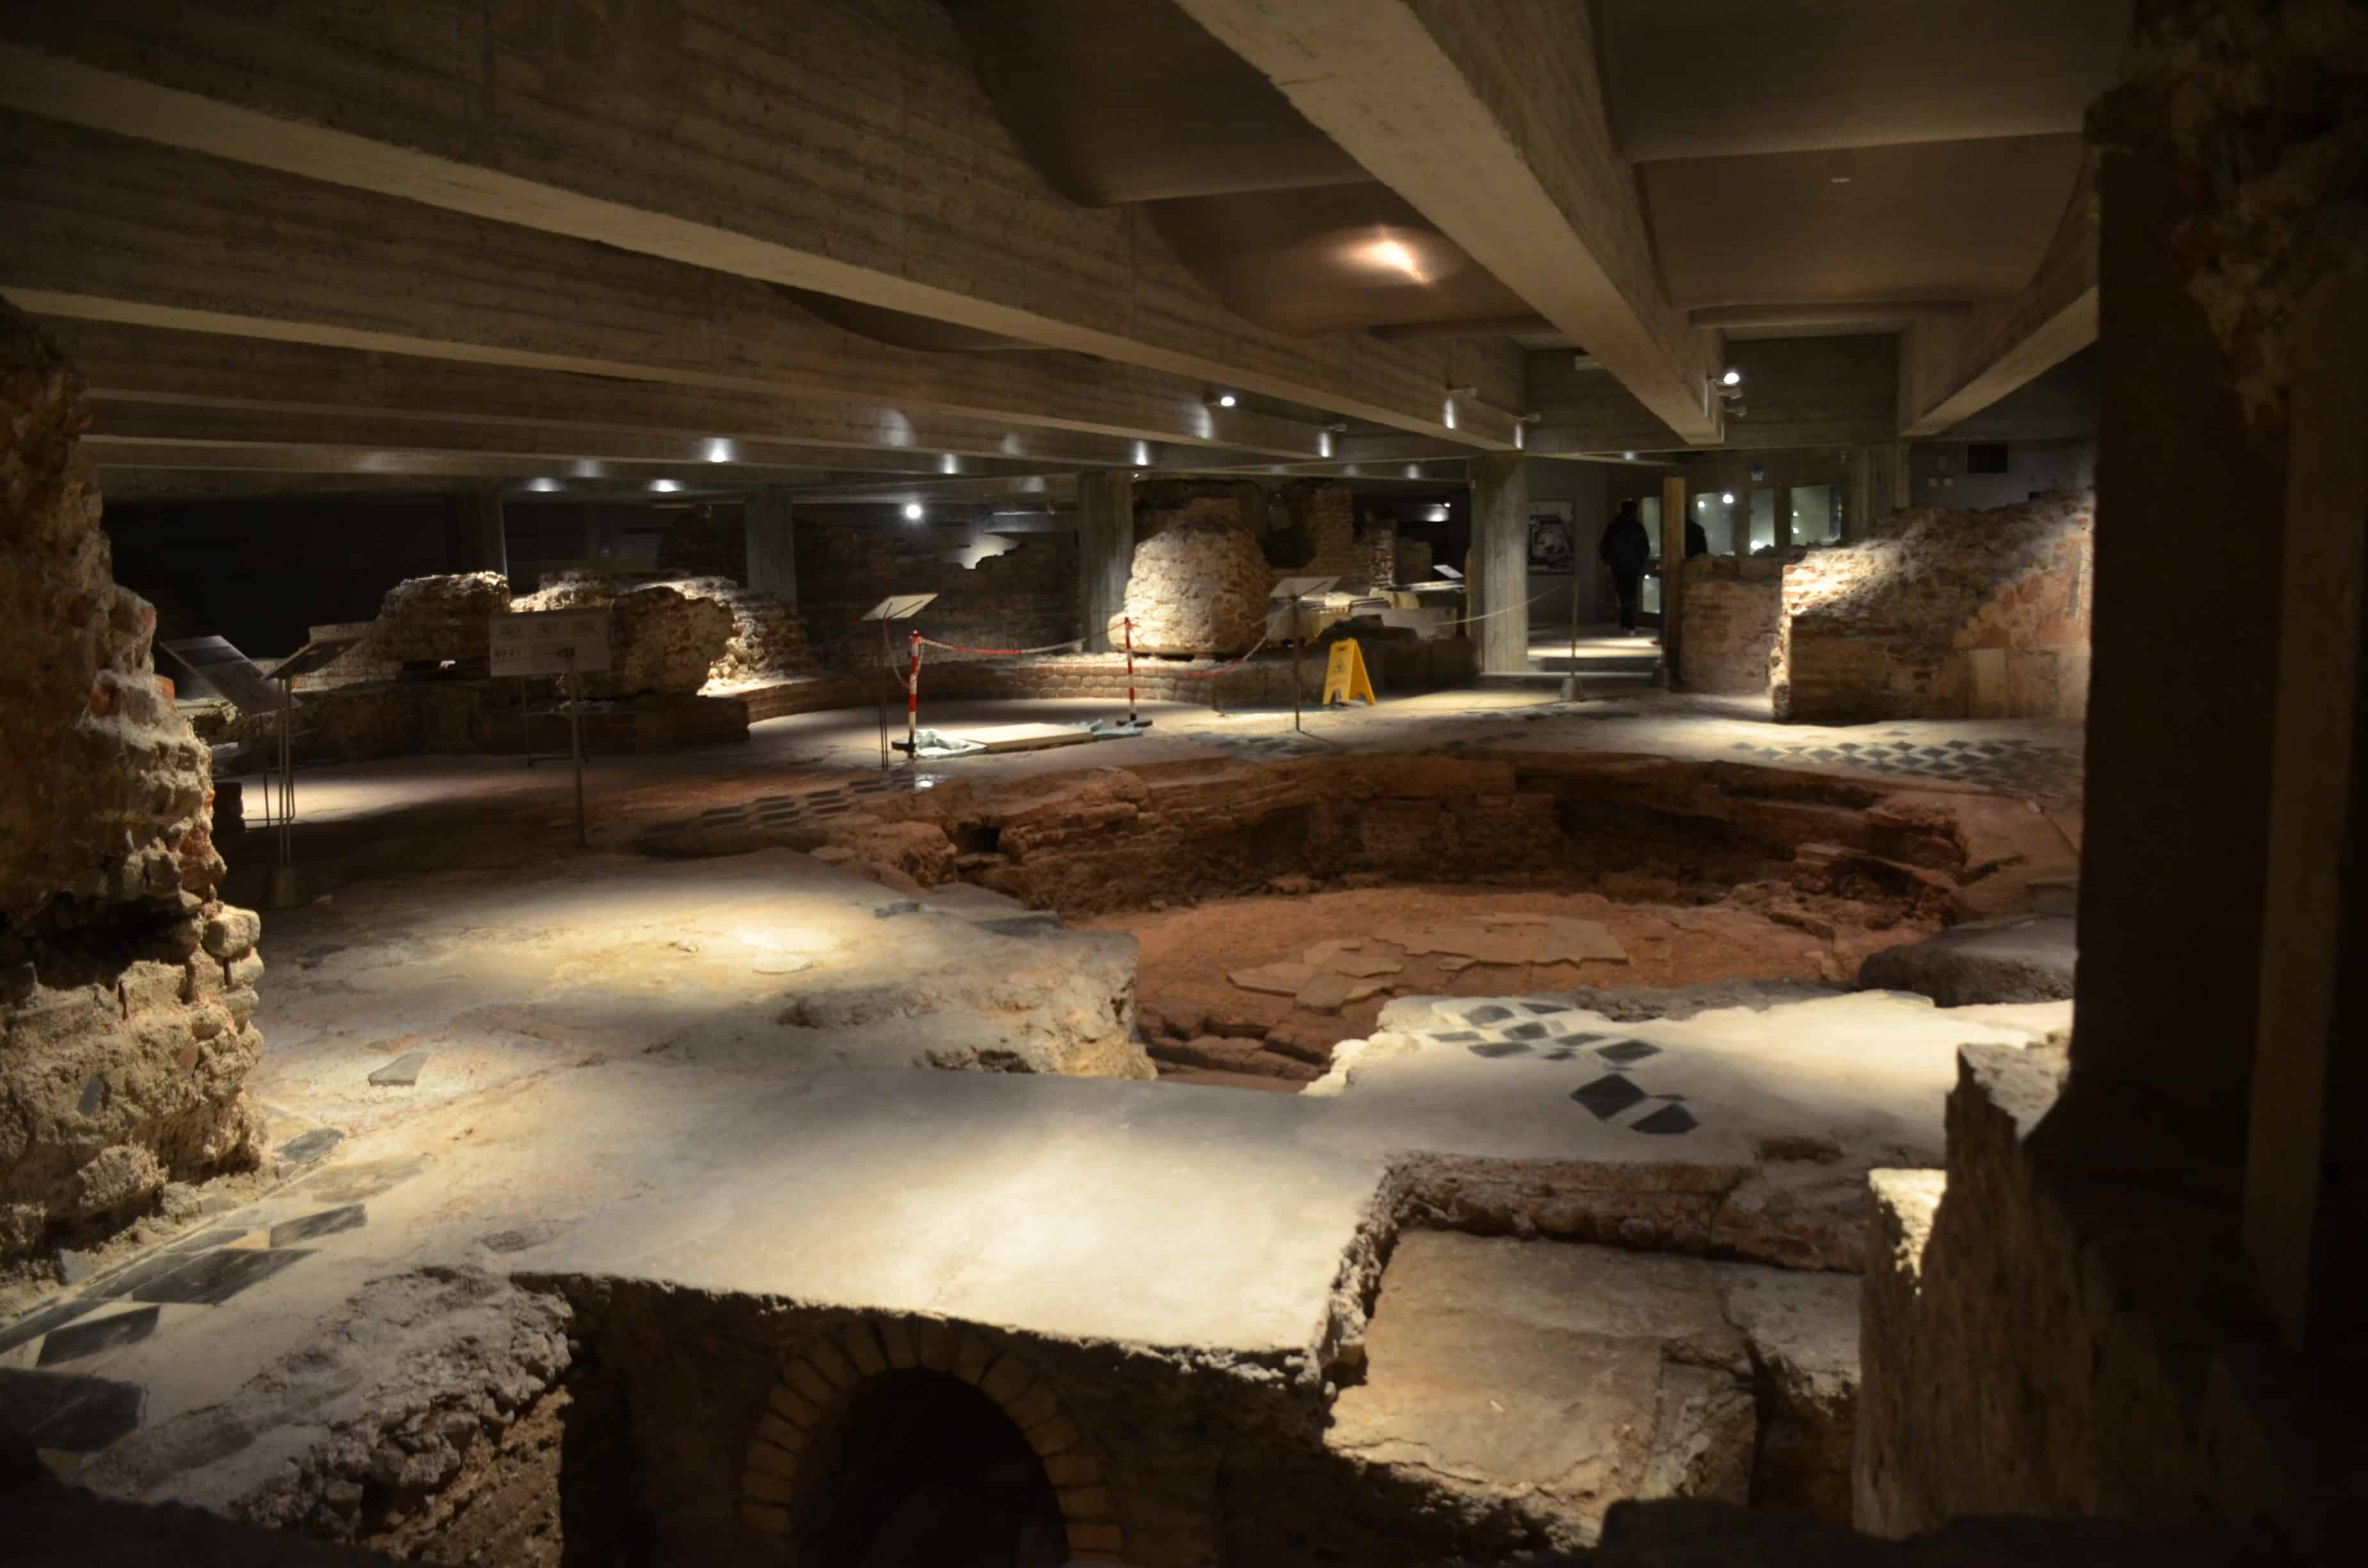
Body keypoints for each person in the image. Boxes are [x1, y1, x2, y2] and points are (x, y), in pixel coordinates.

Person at [1598, 498, 1651, 635]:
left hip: (1618, 566)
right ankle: (1630, 625)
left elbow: (1604, 546)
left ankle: (1625, 623)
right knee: (1631, 595)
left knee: (1622, 595)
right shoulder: (1637, 528)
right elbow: (1644, 549)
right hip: (1632, 566)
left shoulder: (1614, 527)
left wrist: (1608, 563)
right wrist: (1640, 563)